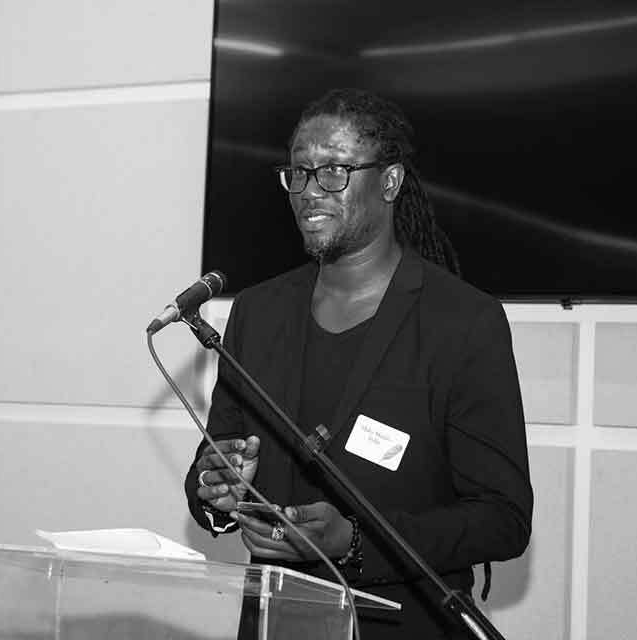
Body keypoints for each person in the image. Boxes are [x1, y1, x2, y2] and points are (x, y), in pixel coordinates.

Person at [184, 88, 533, 639]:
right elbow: (216, 454)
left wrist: (352, 541)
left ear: (389, 182)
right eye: (297, 173)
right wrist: (216, 487)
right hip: (275, 623)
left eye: (334, 172)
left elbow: (502, 519)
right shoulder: (258, 312)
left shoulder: (463, 322)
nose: (308, 191)